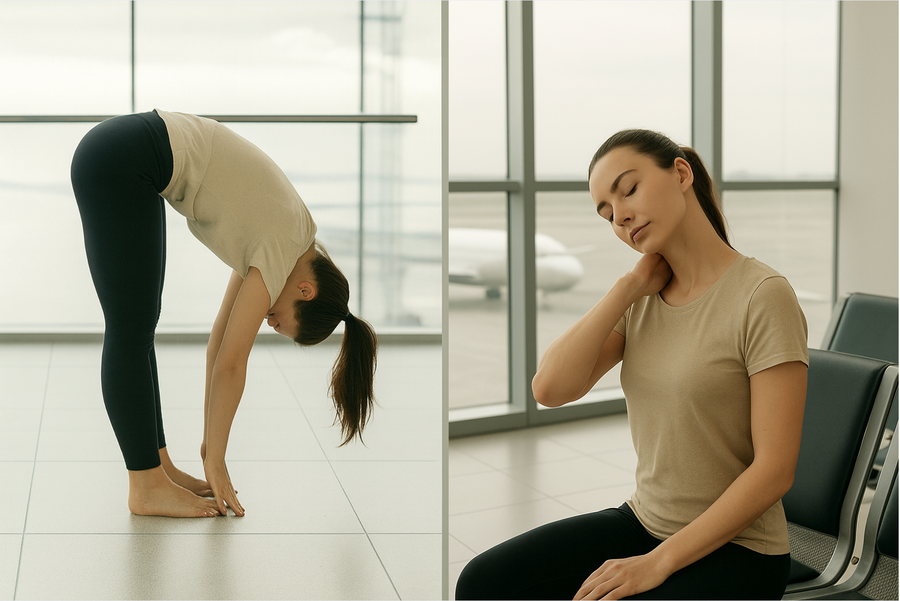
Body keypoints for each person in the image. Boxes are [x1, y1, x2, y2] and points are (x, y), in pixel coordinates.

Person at [455, 129, 808, 600]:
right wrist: (626, 288)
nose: (620, 216)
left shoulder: (762, 295)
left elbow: (775, 470)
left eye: (629, 189)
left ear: (681, 173)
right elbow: (550, 389)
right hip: (645, 521)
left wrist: (657, 564)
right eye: (607, 213)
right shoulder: (640, 298)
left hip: (742, 550)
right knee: (484, 582)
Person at [70, 110, 377, 519]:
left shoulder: (292, 235)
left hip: (128, 155)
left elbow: (220, 343)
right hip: (123, 159)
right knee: (130, 328)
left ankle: (157, 466)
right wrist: (217, 461)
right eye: (278, 319)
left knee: (139, 325)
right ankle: (144, 486)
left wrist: (207, 447)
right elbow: (233, 363)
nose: (268, 319)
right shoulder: (280, 246)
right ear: (306, 290)